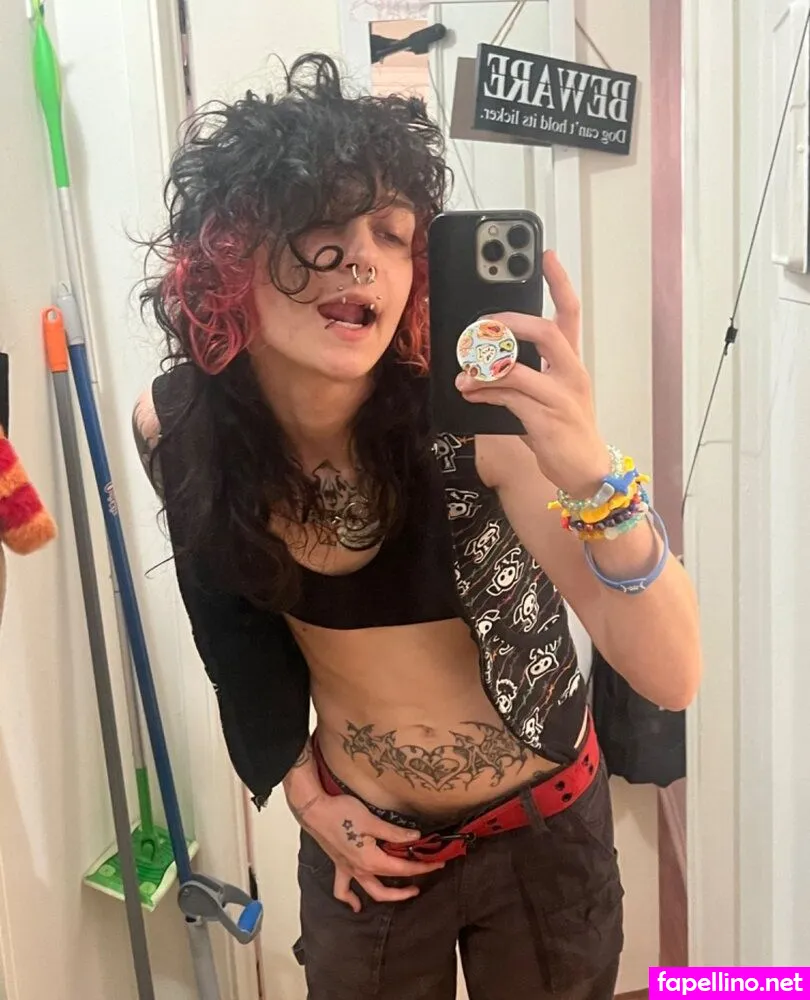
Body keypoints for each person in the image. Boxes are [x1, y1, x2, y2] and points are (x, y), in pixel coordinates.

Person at [133, 53, 701, 1000]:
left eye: (393, 234)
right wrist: (306, 796)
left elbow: (671, 673)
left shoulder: (480, 426)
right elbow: (228, 626)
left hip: (543, 840)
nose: (363, 256)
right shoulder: (181, 426)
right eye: (321, 221)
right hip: (367, 852)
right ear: (228, 255)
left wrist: (592, 474)